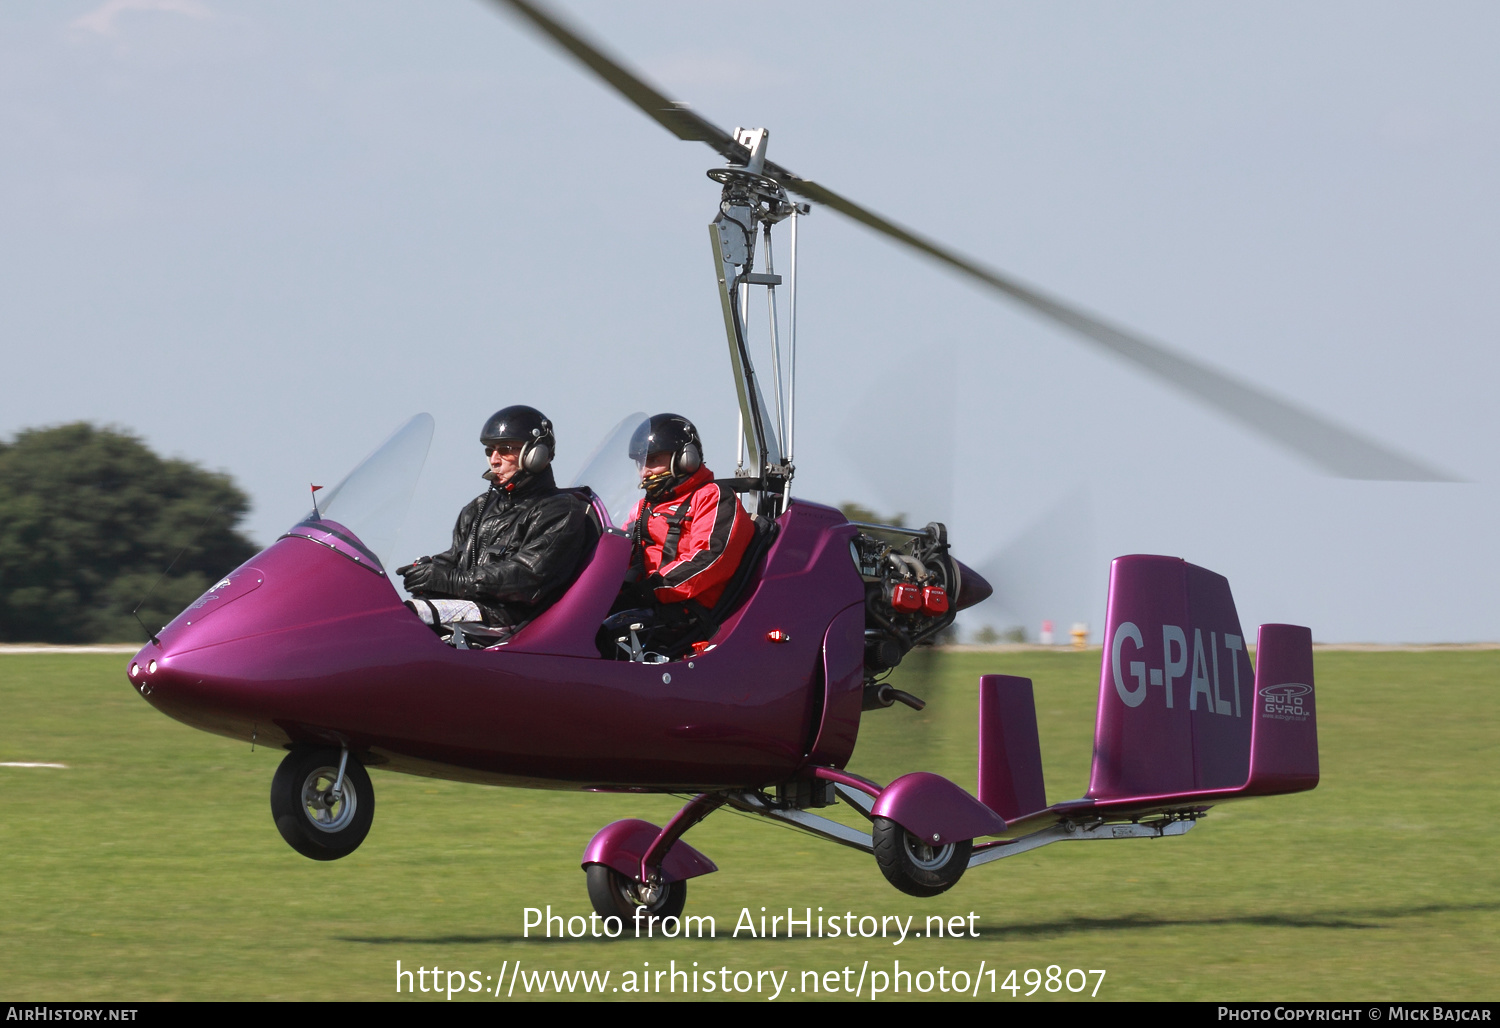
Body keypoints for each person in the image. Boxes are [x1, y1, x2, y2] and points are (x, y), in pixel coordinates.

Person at [398, 405, 593, 640]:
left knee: (407, 616)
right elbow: (457, 557)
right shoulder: (478, 507)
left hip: (511, 619)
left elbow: (528, 577)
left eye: (506, 449)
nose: (494, 460)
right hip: (470, 609)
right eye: (490, 451)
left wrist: (450, 581)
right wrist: (427, 572)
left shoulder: (559, 509)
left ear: (535, 454)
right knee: (384, 613)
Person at [620, 413, 754, 631]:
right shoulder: (642, 507)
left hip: (684, 614)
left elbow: (709, 559)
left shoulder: (713, 498)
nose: (644, 471)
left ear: (685, 458)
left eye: (653, 461)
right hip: (643, 607)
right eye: (641, 462)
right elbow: (617, 553)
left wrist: (650, 591)